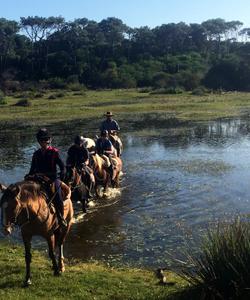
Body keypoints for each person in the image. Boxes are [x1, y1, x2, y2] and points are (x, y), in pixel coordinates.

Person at [28, 128, 67, 228]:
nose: (43, 142)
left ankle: (61, 217)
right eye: (41, 140)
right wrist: (29, 176)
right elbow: (32, 169)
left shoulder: (54, 152)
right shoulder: (36, 154)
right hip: (38, 178)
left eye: (45, 140)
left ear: (48, 140)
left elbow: (62, 167)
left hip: (52, 179)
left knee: (57, 196)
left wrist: (61, 174)